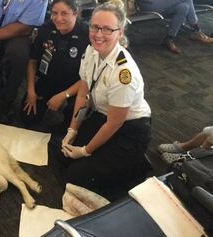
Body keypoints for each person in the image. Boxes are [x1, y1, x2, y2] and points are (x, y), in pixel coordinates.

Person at [49, 0, 152, 195]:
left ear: (119, 32)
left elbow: (114, 124)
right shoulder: (91, 52)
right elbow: (83, 93)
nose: (98, 34)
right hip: (102, 116)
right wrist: (72, 129)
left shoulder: (124, 74)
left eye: (107, 30)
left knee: (75, 177)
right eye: (95, 27)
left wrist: (85, 150)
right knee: (61, 151)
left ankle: (135, 165)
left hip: (130, 130)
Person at [21, 0, 90, 129]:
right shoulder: (45, 29)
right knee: (27, 118)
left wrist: (65, 95)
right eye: (54, 13)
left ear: (75, 13)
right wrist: (30, 90)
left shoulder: (87, 34)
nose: (58, 18)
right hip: (49, 80)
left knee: (72, 125)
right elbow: (33, 61)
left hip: (76, 85)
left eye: (64, 13)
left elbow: (89, 75)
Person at [136, 0, 213, 54]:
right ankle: (196, 30)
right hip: (149, 4)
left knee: (183, 7)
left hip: (162, 3)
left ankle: (169, 38)